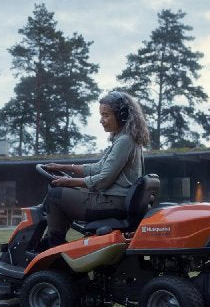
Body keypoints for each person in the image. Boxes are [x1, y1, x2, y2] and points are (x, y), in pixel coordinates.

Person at [39, 90, 151, 249]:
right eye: (101, 115)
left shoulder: (124, 141)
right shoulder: (124, 138)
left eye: (106, 115)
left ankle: (53, 247)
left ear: (122, 116)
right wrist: (64, 167)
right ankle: (54, 243)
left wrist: (69, 182)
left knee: (55, 196)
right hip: (116, 199)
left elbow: (103, 179)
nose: (101, 120)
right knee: (65, 192)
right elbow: (98, 167)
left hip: (113, 202)